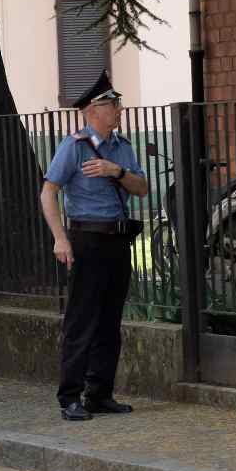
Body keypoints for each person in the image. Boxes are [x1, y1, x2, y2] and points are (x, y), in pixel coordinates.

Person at [39, 70, 149, 422]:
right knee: (81, 320)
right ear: (92, 110)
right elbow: (48, 192)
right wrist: (60, 237)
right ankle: (70, 396)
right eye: (112, 104)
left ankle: (99, 394)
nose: (118, 109)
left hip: (118, 240)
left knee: (109, 321)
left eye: (117, 104)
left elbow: (142, 188)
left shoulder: (122, 147)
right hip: (87, 239)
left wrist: (115, 171)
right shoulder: (73, 146)